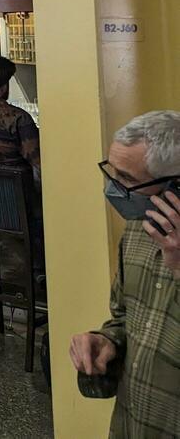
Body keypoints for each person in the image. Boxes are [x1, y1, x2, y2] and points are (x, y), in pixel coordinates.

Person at [69, 110, 179, 438]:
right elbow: (124, 316)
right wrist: (107, 341)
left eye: (128, 180)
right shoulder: (137, 231)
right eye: (112, 173)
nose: (115, 189)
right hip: (134, 422)